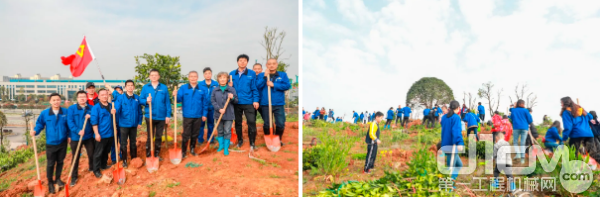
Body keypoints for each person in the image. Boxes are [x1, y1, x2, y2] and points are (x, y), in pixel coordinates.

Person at [32, 93, 69, 193]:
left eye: (58, 100)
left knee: (60, 162)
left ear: (60, 101)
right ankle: (50, 183)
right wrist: (35, 131)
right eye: (54, 100)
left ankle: (58, 179)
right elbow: (39, 124)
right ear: (50, 101)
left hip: (62, 142)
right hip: (51, 143)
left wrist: (69, 136)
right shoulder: (45, 113)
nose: (56, 102)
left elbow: (69, 125)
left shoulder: (65, 112)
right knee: (50, 164)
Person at [257, 59, 291, 147]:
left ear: (276, 65)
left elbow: (287, 85)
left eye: (273, 64)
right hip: (265, 103)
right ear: (266, 65)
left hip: (278, 103)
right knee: (267, 124)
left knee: (280, 123)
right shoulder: (261, 75)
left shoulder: (282, 75)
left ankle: (278, 140)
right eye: (269, 64)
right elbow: (257, 86)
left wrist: (274, 85)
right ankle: (269, 141)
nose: (271, 65)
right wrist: (264, 77)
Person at [174, 71, 209, 158]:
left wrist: (204, 114)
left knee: (195, 134)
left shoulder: (202, 89)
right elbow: (178, 100)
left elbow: (205, 103)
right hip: (187, 115)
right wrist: (175, 95)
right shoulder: (183, 88)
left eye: (195, 76)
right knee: (186, 134)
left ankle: (192, 149)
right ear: (189, 78)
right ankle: (183, 151)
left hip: (198, 115)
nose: (193, 78)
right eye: (191, 76)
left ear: (197, 78)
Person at [140, 69, 172, 161]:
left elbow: (167, 103)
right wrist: (146, 101)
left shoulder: (164, 88)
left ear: (159, 76)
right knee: (150, 136)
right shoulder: (146, 87)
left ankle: (157, 154)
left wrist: (168, 115)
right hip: (149, 116)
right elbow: (141, 100)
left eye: (156, 75)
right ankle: (149, 155)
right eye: (152, 75)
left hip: (161, 116)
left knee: (158, 136)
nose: (154, 77)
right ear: (149, 77)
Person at [229, 54, 259, 149]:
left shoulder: (251, 73)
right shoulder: (232, 74)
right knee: (238, 122)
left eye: (244, 60)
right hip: (236, 102)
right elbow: (229, 89)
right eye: (240, 60)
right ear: (237, 62)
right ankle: (240, 140)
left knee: (251, 121)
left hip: (248, 101)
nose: (242, 62)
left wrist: (256, 100)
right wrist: (229, 86)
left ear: (247, 62)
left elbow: (254, 88)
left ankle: (252, 143)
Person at [66, 91, 95, 186]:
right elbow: (70, 122)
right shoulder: (72, 109)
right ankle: (74, 177)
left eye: (84, 97)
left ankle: (92, 168)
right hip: (76, 137)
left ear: (86, 98)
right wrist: (78, 130)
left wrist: (91, 117)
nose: (82, 98)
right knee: (75, 157)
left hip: (88, 136)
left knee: (91, 153)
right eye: (80, 97)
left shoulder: (91, 108)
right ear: (77, 99)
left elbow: (95, 120)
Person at [114, 80, 142, 168]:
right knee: (123, 143)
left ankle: (134, 158)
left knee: (133, 142)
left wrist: (140, 122)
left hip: (134, 125)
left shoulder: (136, 98)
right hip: (123, 125)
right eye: (128, 85)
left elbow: (139, 111)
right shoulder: (121, 98)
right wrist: (114, 110)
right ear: (125, 88)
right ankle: (125, 160)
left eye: (131, 85)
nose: (130, 87)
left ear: (133, 87)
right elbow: (117, 108)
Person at [90, 89, 116, 178]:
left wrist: (114, 113)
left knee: (106, 151)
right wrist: (96, 133)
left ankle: (103, 165)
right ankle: (96, 170)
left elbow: (114, 120)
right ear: (99, 97)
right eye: (102, 95)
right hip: (101, 134)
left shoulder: (110, 106)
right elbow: (94, 122)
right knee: (98, 153)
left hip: (110, 133)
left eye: (106, 94)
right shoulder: (96, 108)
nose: (105, 96)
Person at [212, 72, 239, 155]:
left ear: (227, 79)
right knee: (220, 130)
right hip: (218, 114)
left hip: (228, 114)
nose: (222, 79)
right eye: (221, 78)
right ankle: (221, 146)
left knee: (227, 131)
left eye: (224, 77)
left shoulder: (231, 89)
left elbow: (236, 101)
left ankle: (226, 148)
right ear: (218, 80)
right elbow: (213, 101)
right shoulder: (215, 90)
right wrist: (219, 109)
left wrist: (232, 97)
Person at [441, 100, 464, 180]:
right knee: (450, 169)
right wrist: (459, 142)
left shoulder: (444, 117)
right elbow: (456, 131)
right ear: (458, 108)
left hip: (445, 144)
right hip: (452, 146)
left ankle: (451, 184)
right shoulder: (456, 118)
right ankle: (449, 188)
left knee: (459, 165)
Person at [199, 67, 219, 144]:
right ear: (204, 75)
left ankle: (210, 139)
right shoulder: (200, 84)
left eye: (209, 73)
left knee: (211, 124)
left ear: (211, 74)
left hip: (212, 108)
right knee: (201, 124)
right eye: (206, 74)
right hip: (202, 108)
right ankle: (200, 139)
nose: (208, 75)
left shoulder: (215, 84)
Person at [510, 100, 533, 164]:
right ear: (522, 104)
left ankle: (518, 154)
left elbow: (511, 118)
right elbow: (530, 120)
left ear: (518, 104)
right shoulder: (526, 110)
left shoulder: (514, 110)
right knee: (522, 143)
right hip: (524, 128)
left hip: (516, 127)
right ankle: (522, 159)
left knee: (515, 142)